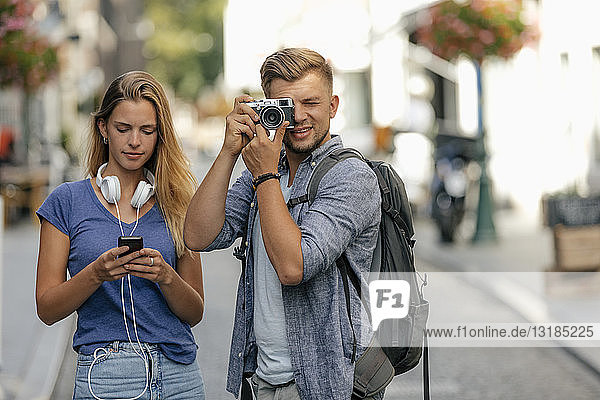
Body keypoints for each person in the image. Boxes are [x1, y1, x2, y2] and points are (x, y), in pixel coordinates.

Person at [184, 48, 381, 399]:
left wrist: (265, 174)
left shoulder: (350, 177)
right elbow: (198, 235)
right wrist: (229, 151)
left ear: (333, 106)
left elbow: (293, 266)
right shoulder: (264, 171)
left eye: (312, 103)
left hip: (322, 382)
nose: (300, 117)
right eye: (286, 106)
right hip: (260, 379)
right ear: (267, 109)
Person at [36, 71, 205, 400]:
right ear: (103, 129)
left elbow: (195, 312)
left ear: (160, 135)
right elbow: (47, 309)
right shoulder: (66, 203)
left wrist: (166, 277)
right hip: (106, 378)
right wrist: (96, 274)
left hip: (179, 375)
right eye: (123, 129)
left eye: (147, 130)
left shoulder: (179, 203)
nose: (135, 142)